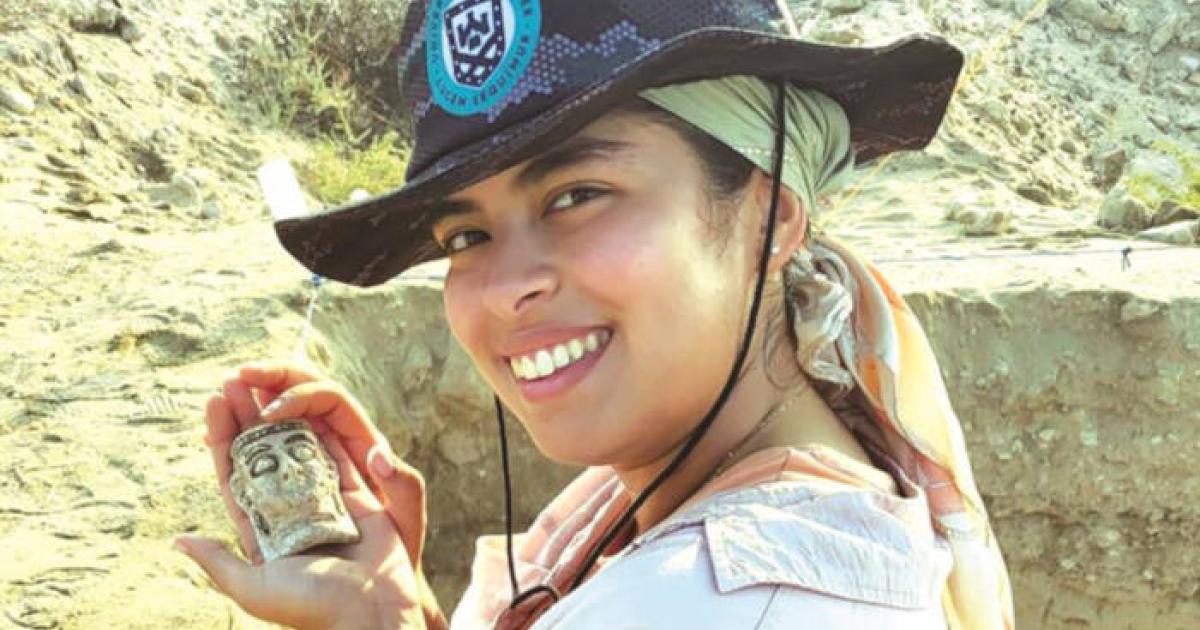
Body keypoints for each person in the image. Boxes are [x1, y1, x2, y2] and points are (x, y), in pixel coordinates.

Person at [173, 1, 1016, 628]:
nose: (506, 287)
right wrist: (384, 615)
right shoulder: (727, 501)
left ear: (771, 216)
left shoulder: (717, 601)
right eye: (466, 232)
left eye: (578, 195)